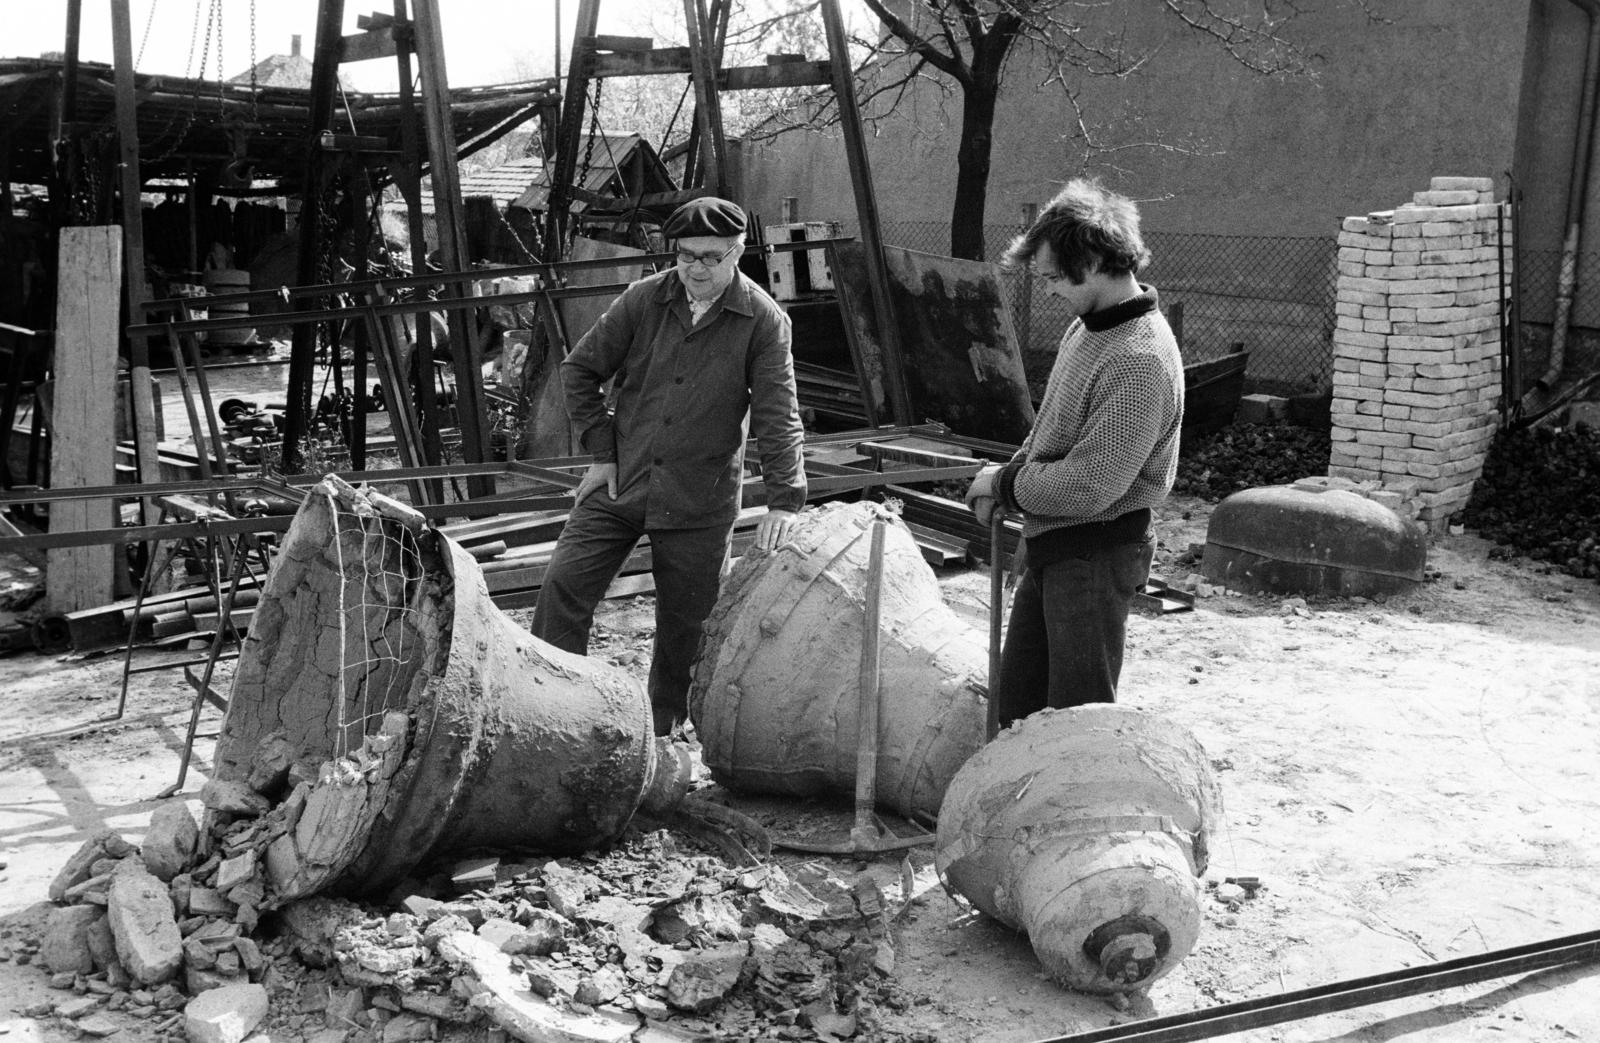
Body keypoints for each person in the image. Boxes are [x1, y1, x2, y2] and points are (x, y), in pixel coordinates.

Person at [531, 196, 807, 736]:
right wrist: (603, 452)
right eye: (685, 256)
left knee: (685, 627)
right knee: (562, 587)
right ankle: (553, 713)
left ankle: (662, 734)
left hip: (698, 498)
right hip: (624, 481)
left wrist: (784, 500)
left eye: (710, 257)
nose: (696, 269)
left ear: (737, 253)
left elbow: (779, 413)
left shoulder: (762, 321)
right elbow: (579, 370)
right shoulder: (645, 298)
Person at [965, 178, 1184, 727]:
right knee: (1019, 709)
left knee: (1076, 720)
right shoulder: (1088, 328)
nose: (1047, 291)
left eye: (1052, 277)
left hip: (1095, 554)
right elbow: (1048, 434)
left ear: (1090, 261)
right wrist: (1018, 500)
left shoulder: (1139, 359)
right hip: (1058, 541)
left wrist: (1002, 484)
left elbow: (1091, 484)